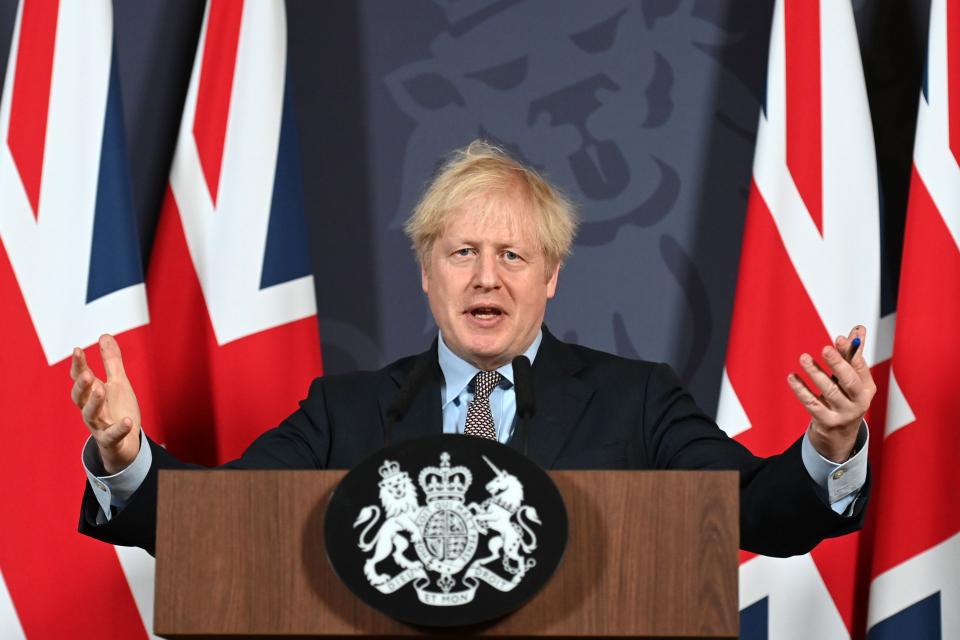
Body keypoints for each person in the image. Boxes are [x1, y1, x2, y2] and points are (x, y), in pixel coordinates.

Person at [71, 140, 874, 557]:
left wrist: (829, 445)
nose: (486, 277)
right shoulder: (342, 414)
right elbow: (225, 523)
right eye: (462, 254)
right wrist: (128, 454)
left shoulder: (638, 402)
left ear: (551, 276)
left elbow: (757, 512)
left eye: (513, 256)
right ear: (427, 273)